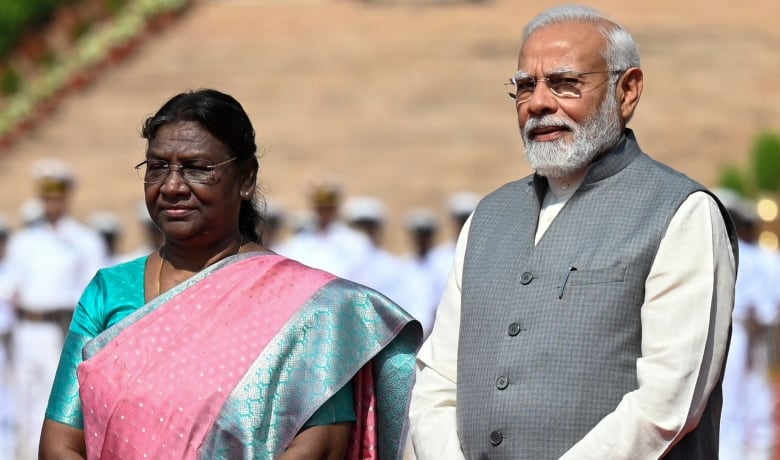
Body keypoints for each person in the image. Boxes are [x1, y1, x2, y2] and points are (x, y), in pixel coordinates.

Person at [409, 5, 738, 459]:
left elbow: (666, 405)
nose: (539, 103)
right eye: (525, 86)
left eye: (565, 83)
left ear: (627, 91)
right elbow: (439, 380)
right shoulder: (489, 218)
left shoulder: (680, 213)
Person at [39, 88, 421, 459]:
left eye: (196, 169)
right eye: (157, 167)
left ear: (247, 179)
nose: (172, 186)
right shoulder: (109, 292)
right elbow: (60, 443)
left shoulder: (308, 309)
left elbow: (320, 447)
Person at [4, 158, 107, 460]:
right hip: (26, 328)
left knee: (53, 402)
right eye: (45, 196)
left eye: (56, 196)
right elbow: (12, 286)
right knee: (22, 398)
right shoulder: (23, 241)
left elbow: (93, 291)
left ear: (66, 197)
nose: (50, 202)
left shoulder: (82, 240)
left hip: (60, 329)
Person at [716, 189, 780, 460]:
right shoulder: (761, 256)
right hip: (751, 332)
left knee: (734, 400)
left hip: (733, 332)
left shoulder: (731, 253)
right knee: (754, 397)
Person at [343, 196, 437, 336]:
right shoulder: (337, 261)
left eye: (369, 227)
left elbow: (412, 305)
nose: (364, 233)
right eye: (359, 227)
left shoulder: (392, 266)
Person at [275, 180, 373, 282]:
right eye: (321, 209)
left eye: (329, 209)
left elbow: (362, 274)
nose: (325, 213)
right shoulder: (300, 241)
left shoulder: (355, 241)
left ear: (336, 209)